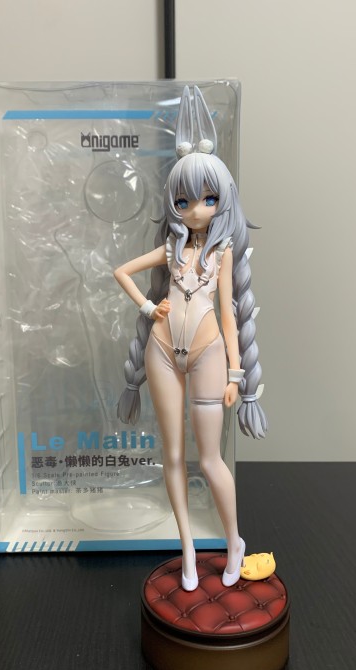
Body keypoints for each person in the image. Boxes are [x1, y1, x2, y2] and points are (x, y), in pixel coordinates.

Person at [114, 86, 267, 591]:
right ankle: (187, 548)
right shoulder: (169, 250)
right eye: (183, 201)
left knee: (210, 458)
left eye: (208, 198)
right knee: (173, 455)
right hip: (161, 350)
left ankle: (234, 540)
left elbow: (230, 316)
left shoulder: (221, 255)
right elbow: (121, 271)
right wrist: (146, 307)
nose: (196, 209)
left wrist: (236, 375)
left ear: (222, 200)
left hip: (208, 354)